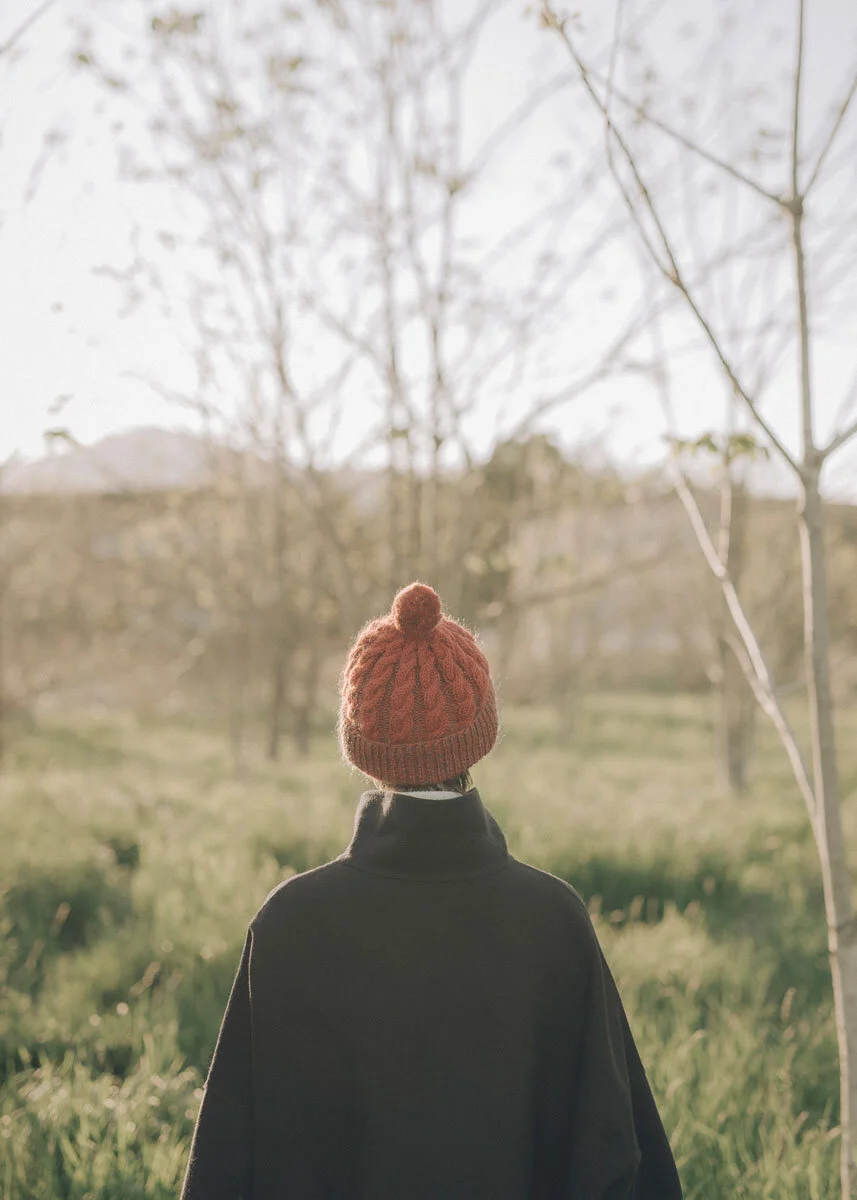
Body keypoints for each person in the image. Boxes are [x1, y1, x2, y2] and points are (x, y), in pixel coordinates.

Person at [181, 581, 683, 1200]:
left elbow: (226, 1163)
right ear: (480, 736)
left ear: (361, 746)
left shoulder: (289, 923)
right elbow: (616, 1150)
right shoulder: (554, 921)